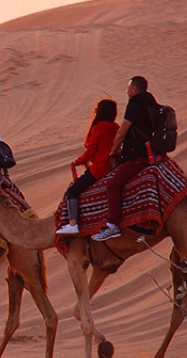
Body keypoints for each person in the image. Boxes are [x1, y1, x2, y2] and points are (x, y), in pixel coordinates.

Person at [92, 76, 158, 241]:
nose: (127, 91)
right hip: (153, 153)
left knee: (112, 186)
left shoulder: (135, 104)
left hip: (138, 156)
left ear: (135, 89)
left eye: (128, 87)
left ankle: (112, 225)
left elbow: (123, 131)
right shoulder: (152, 104)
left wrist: (113, 151)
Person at [56, 99, 119, 235]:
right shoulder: (116, 128)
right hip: (112, 168)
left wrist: (77, 162)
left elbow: (90, 152)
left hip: (99, 169)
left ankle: (73, 224)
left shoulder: (98, 128)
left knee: (73, 191)